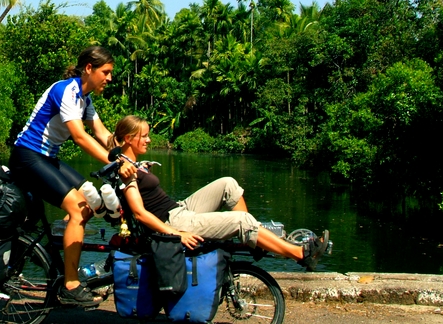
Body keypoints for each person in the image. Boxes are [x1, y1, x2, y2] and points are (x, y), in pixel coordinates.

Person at [109, 115, 330, 269]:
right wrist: (177, 234)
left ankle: (248, 240)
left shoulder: (129, 162)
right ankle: (300, 255)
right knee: (242, 220)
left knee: (228, 183)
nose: (148, 139)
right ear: (129, 138)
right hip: (174, 222)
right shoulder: (127, 170)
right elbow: (139, 213)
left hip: (179, 209)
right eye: (144, 136)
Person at [9, 46, 136, 306]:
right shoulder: (66, 90)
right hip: (27, 156)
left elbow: (102, 134)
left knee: (87, 208)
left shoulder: (85, 99)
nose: (110, 78)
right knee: (77, 211)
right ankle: (70, 285)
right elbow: (80, 137)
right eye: (106, 72)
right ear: (89, 68)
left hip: (47, 158)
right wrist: (115, 162)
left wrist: (127, 154)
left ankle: (62, 262)